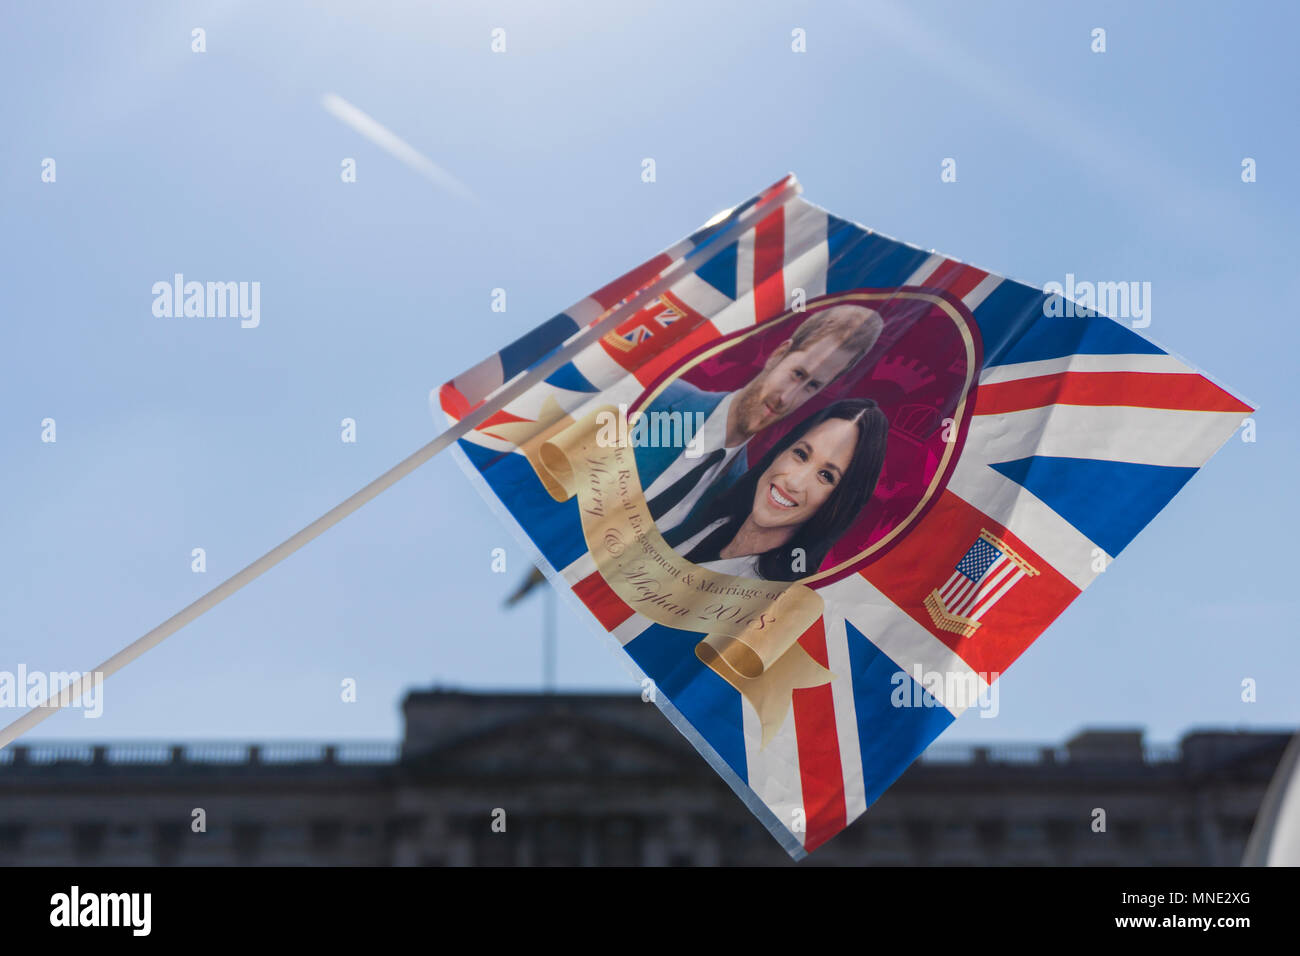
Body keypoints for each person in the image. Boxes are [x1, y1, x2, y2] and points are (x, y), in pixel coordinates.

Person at [635, 304, 883, 534]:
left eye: (813, 385)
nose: (786, 398)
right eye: (797, 374)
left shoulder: (738, 491)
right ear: (779, 354)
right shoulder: (658, 397)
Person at [663, 398, 889, 581]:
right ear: (781, 450)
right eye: (800, 454)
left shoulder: (778, 599)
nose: (795, 483)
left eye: (826, 476)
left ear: (840, 503)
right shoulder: (706, 511)